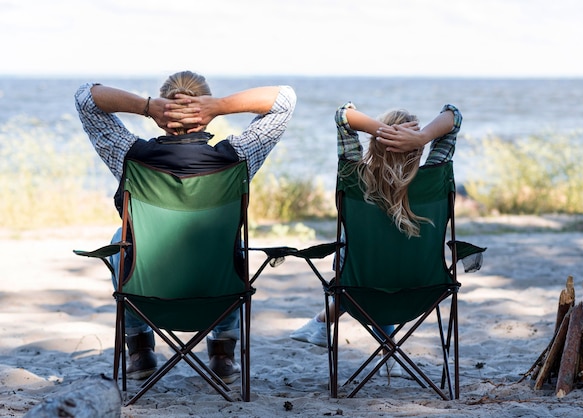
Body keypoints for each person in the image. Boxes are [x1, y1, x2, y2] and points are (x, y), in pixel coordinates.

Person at [75, 71, 296, 384]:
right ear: (204, 115)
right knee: (234, 244)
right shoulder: (238, 158)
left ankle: (140, 351)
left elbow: (85, 97)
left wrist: (147, 106)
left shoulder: (131, 158)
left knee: (121, 238)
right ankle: (222, 354)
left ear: (162, 116)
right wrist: (218, 105)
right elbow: (285, 99)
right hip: (216, 299)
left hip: (147, 297)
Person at [290, 101, 462, 377]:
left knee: (356, 261)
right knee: (388, 262)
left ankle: (322, 322)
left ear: (373, 145)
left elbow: (342, 115)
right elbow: (454, 115)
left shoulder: (355, 177)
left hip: (360, 291)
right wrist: (421, 136)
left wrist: (383, 131)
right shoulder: (433, 177)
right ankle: (382, 347)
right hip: (422, 290)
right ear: (418, 152)